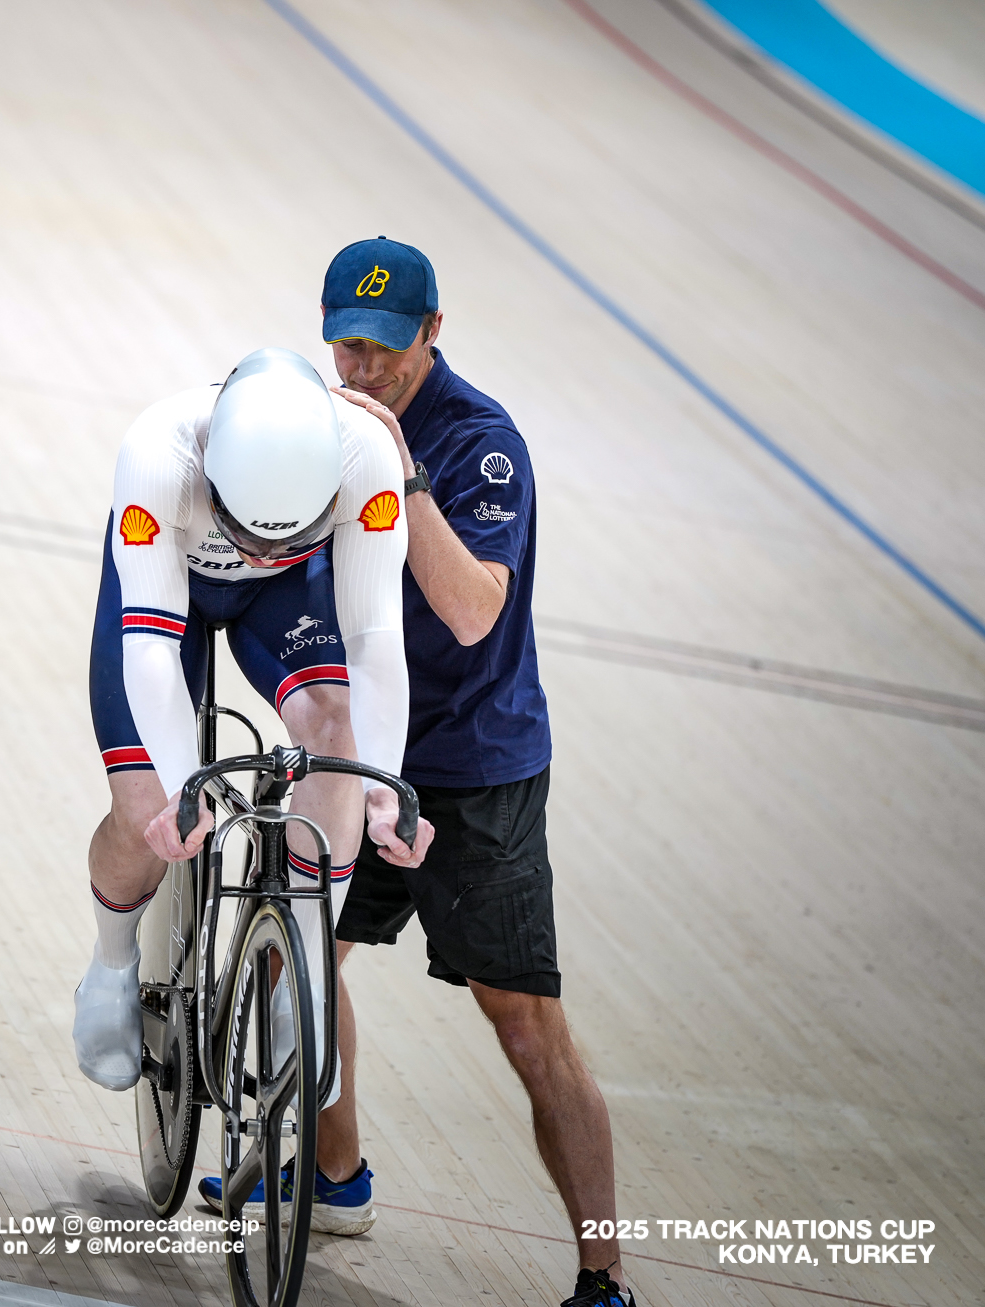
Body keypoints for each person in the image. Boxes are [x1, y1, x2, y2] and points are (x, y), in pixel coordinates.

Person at [317, 237, 633, 1307]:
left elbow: (468, 607)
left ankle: (603, 1276)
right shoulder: (326, 414)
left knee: (521, 1022)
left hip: (471, 772)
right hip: (364, 751)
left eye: (385, 349)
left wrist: (396, 466)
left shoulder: (480, 445)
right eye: (346, 346)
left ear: (433, 333)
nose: (363, 370)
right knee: (293, 963)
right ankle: (333, 1177)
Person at [73, 344, 432, 1233]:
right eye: (252, 527)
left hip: (286, 599)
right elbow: (150, 654)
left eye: (284, 530)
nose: (262, 544)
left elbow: (377, 641)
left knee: (339, 737)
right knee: (144, 805)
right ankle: (115, 958)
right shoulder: (159, 451)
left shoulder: (366, 458)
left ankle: (299, 966)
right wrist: (185, 790)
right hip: (170, 593)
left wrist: (381, 785)